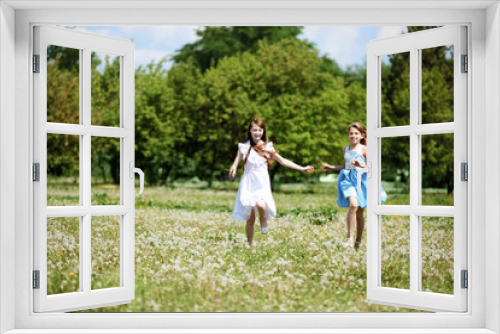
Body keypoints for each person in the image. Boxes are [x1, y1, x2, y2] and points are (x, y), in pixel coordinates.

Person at [229, 118, 314, 246]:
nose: (257, 133)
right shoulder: (244, 147)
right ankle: (249, 244)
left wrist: (302, 168)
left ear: (263, 131)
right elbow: (236, 162)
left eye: (260, 130)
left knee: (262, 205)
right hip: (248, 184)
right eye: (254, 130)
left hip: (262, 183)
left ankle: (263, 218)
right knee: (250, 218)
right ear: (250, 131)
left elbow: (283, 161)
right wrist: (233, 169)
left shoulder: (267, 147)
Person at [321, 122, 387, 249]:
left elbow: (372, 168)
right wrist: (331, 167)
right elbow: (346, 166)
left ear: (362, 135)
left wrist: (361, 166)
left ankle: (358, 241)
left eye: (356, 133)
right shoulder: (345, 149)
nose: (353, 136)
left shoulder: (365, 149)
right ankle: (349, 238)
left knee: (360, 213)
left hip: (361, 180)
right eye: (351, 133)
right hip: (347, 180)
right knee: (353, 205)